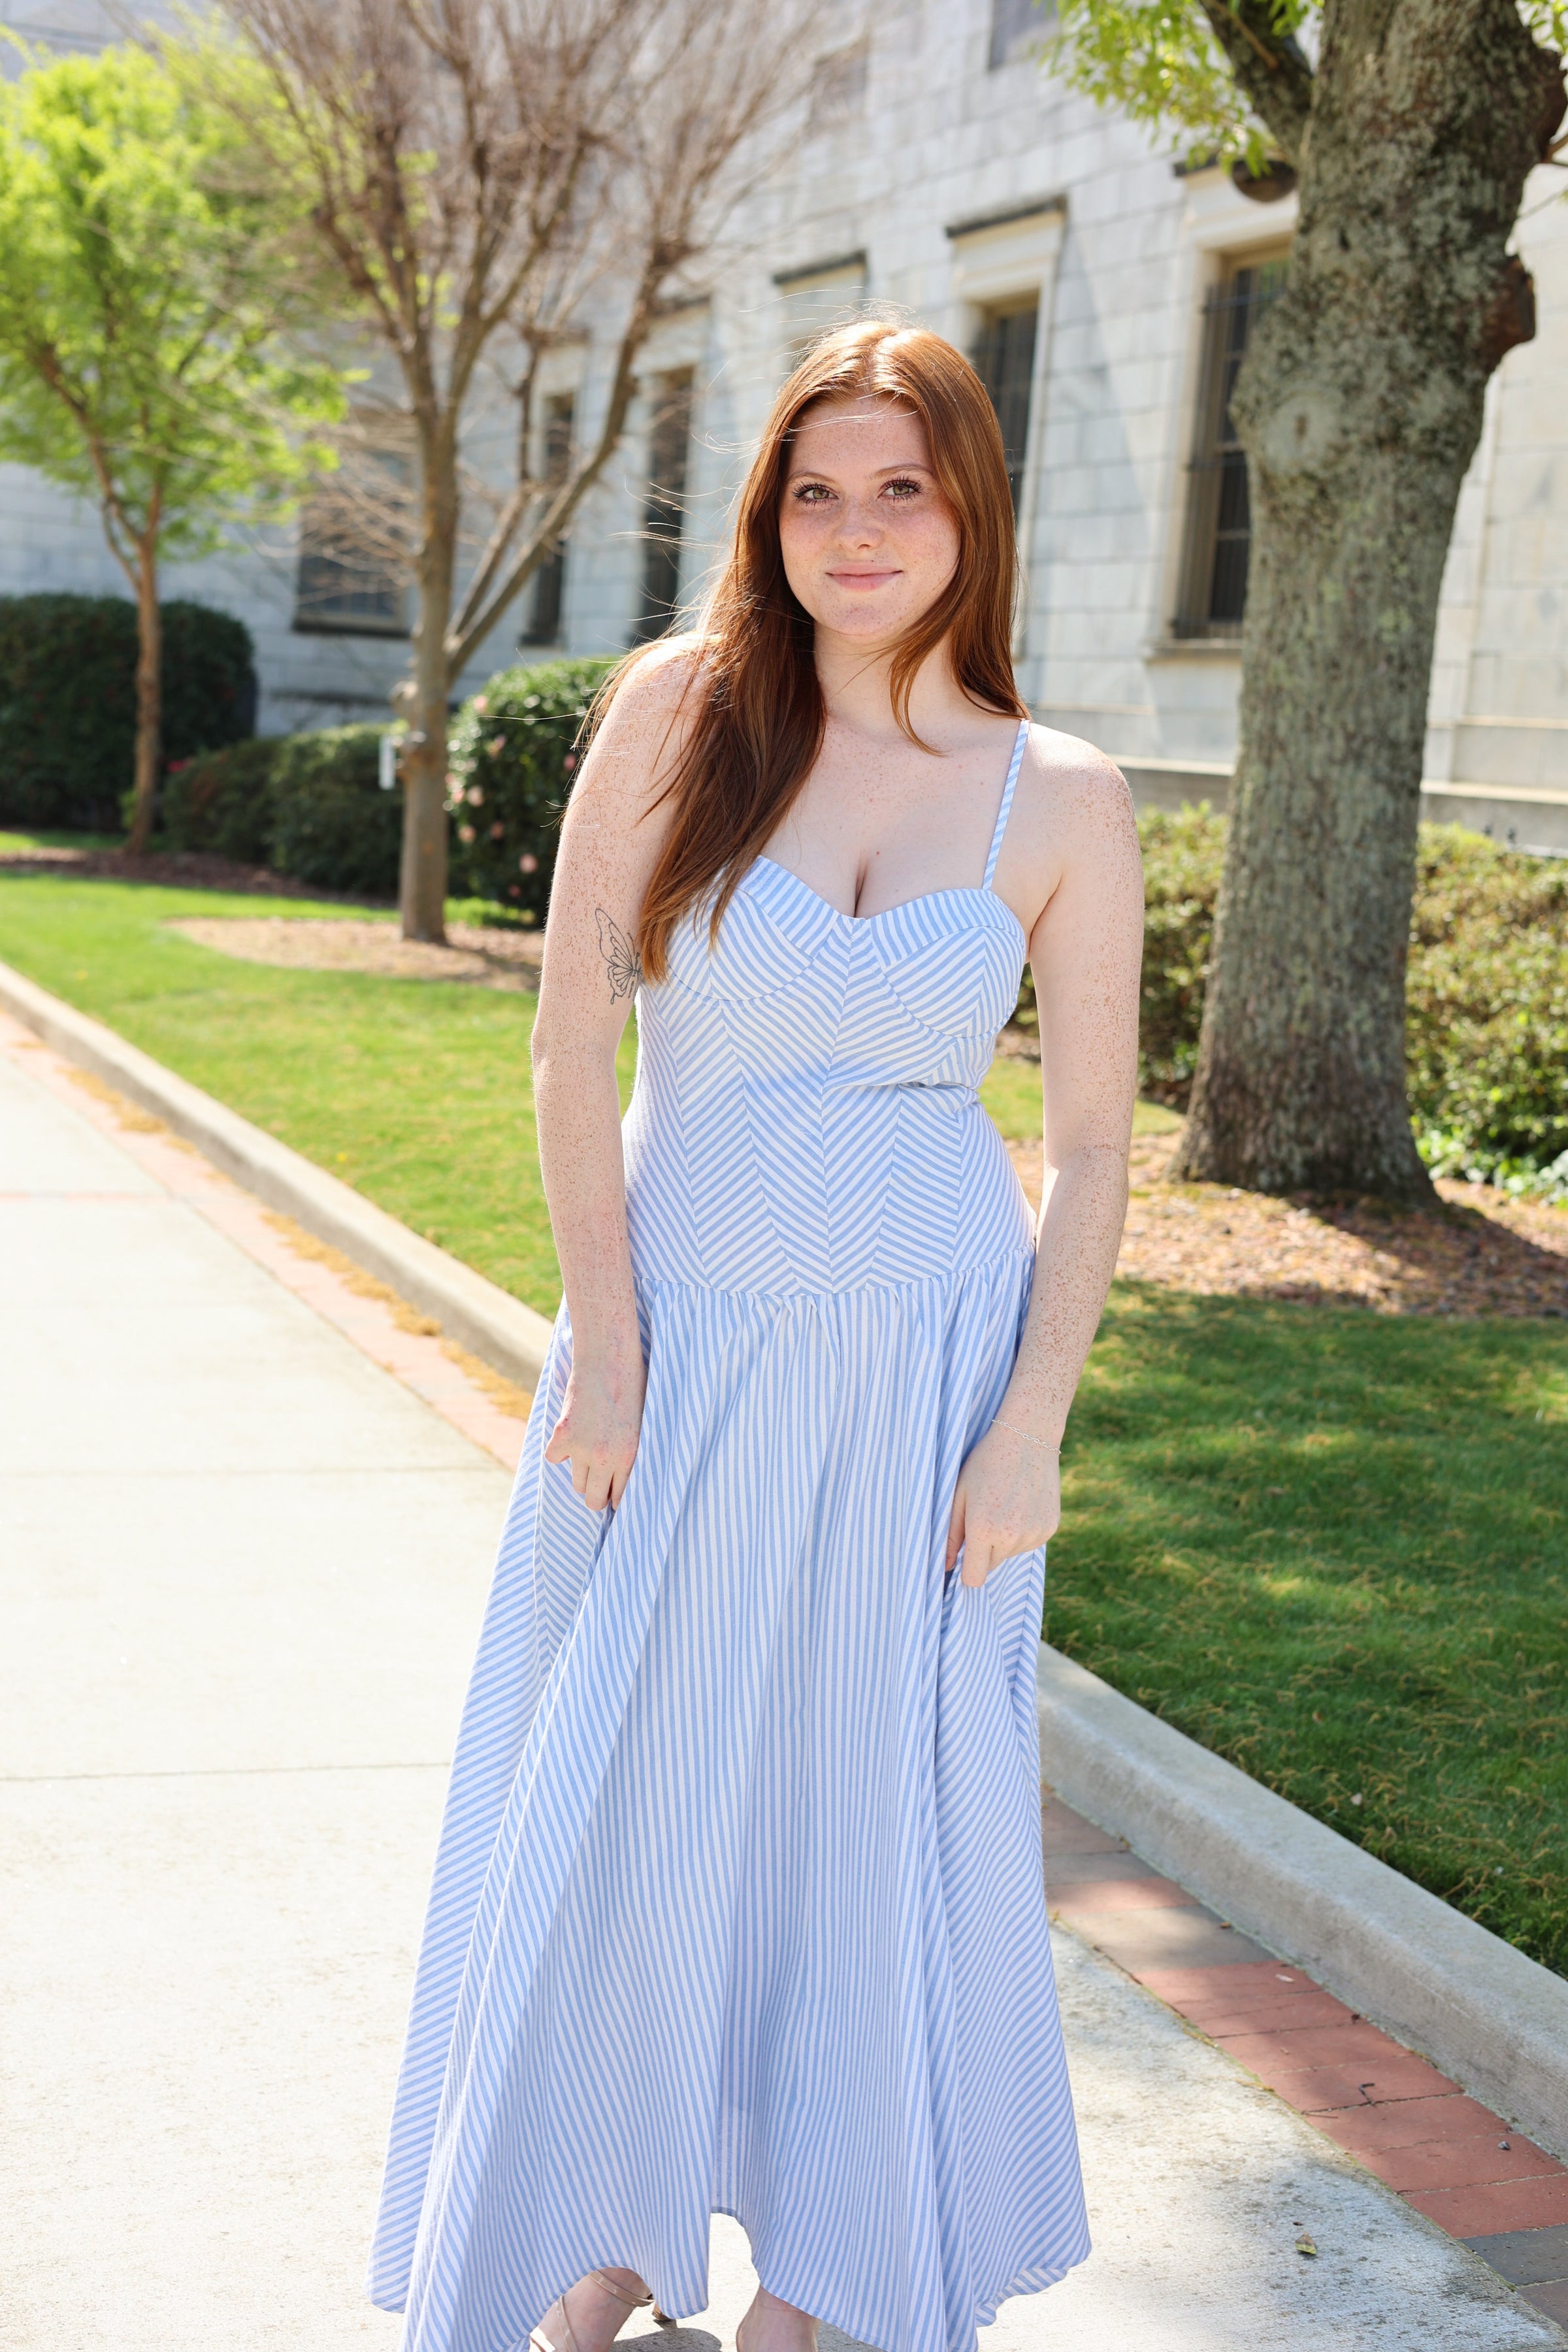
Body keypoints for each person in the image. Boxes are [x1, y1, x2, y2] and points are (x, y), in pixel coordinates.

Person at [368, 319, 1144, 2352]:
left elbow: (1082, 1143)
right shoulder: (681, 711)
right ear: (767, 514)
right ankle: (598, 2244)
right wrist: (607, 1348)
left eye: (902, 488)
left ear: (971, 507)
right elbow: (567, 1043)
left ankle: (822, 2277)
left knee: (861, 1826)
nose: (859, 530)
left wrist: (1031, 1426)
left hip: (929, 1386)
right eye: (818, 489)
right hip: (686, 1352)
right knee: (635, 1796)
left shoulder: (1057, 795)